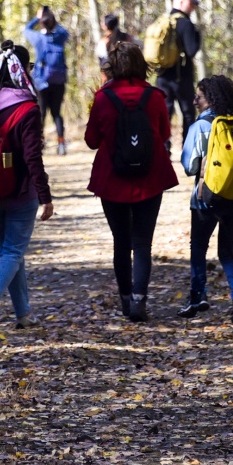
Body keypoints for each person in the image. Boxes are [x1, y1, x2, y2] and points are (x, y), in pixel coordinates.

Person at [83, 41, 177, 322]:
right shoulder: (155, 97)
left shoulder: (103, 98)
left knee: (120, 242)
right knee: (142, 243)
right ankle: (139, 299)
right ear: (140, 64)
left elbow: (91, 141)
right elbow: (162, 134)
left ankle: (125, 299)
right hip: (150, 177)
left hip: (113, 179)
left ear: (112, 66)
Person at [0, 44, 54, 332]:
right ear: (23, 71)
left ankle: (24, 314)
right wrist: (45, 195)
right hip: (19, 192)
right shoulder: (27, 107)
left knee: (10, 252)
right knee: (13, 252)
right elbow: (32, 157)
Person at [179, 75, 233, 322]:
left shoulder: (200, 126)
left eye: (198, 97)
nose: (194, 101)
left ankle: (197, 296)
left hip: (206, 198)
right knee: (227, 251)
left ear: (209, 99)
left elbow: (189, 166)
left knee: (198, 248)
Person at [154, 0, 203, 136]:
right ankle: (188, 152)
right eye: (191, 3)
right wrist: (197, 34)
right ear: (181, 2)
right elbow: (191, 50)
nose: (193, 7)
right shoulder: (185, 24)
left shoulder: (162, 21)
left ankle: (163, 150)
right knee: (188, 113)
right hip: (182, 77)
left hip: (162, 76)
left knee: (165, 113)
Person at [23, 6, 71, 155]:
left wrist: (38, 18)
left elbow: (26, 29)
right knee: (57, 113)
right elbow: (65, 32)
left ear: (42, 24)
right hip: (59, 80)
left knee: (41, 112)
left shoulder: (38, 39)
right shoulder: (60, 38)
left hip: (42, 81)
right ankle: (61, 144)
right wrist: (52, 19)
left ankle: (39, 143)